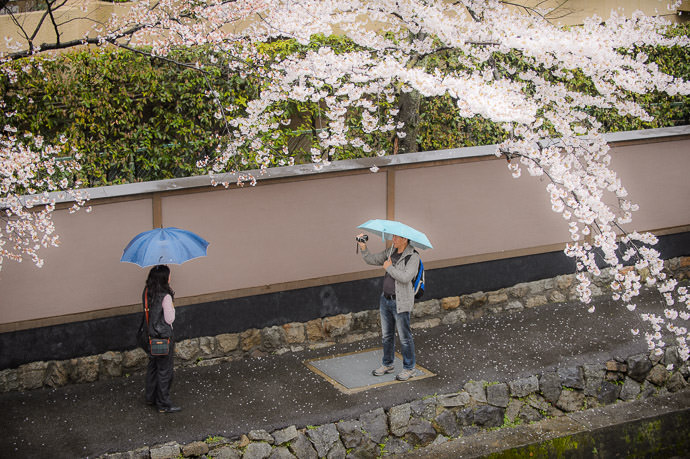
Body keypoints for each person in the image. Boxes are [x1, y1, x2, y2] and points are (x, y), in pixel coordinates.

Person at [357, 233, 420, 381]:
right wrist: (363, 246)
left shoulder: (413, 257)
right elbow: (370, 259)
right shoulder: (390, 252)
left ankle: (409, 368)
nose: (394, 240)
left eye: (397, 238)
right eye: (393, 237)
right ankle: (387, 364)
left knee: (405, 338)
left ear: (405, 239)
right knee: (387, 336)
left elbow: (405, 277)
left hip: (401, 301)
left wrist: (389, 267)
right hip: (385, 300)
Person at [143, 264, 181, 413]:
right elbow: (170, 319)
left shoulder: (147, 292)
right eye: (169, 274)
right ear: (164, 278)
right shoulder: (165, 296)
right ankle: (164, 404)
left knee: (153, 367)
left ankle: (150, 397)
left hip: (150, 336)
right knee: (165, 371)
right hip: (164, 337)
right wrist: (172, 306)